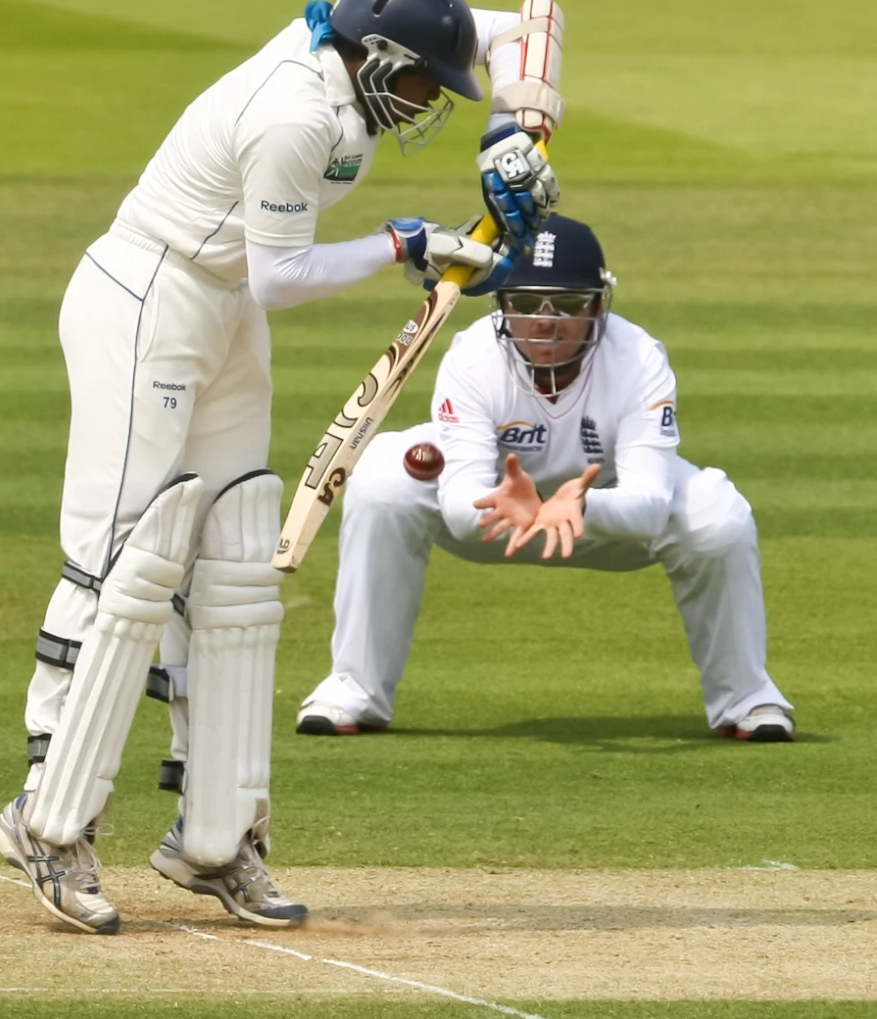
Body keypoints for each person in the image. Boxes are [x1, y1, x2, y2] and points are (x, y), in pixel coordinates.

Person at [0, 0, 563, 933]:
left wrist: (516, 130)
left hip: (220, 309)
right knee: (119, 559)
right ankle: (47, 818)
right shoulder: (294, 116)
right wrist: (406, 244)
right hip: (148, 297)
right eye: (424, 86)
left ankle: (218, 833)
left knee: (234, 553)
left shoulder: (369, 59)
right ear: (378, 59)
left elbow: (536, 19)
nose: (428, 105)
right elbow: (283, 277)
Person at [297, 214, 793, 742]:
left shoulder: (639, 357)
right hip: (499, 513)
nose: (546, 322)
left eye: (569, 305)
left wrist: (579, 506)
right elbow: (464, 509)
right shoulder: (473, 355)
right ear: (503, 305)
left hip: (606, 513)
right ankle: (356, 689)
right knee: (383, 477)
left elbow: (649, 503)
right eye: (528, 303)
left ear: (600, 304)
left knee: (720, 516)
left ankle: (748, 698)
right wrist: (512, 504)